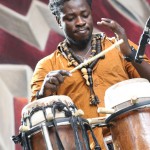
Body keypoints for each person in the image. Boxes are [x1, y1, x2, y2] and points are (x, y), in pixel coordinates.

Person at [30, 0, 150, 149]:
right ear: (58, 20)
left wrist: (130, 54)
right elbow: (34, 119)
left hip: (133, 142)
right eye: (71, 18)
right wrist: (44, 93)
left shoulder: (119, 46)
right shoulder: (47, 66)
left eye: (85, 15)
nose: (80, 22)